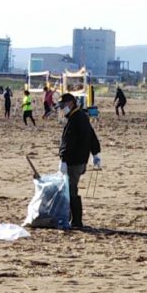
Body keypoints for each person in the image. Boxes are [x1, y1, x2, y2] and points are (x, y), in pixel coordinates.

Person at [57, 92, 100, 230]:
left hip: (74, 161)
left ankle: (76, 221)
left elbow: (69, 141)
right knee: (70, 188)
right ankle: (70, 218)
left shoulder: (77, 118)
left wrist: (64, 159)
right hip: (79, 160)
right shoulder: (79, 117)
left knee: (70, 190)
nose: (61, 109)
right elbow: (91, 135)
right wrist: (95, 153)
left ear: (70, 103)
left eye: (63, 106)